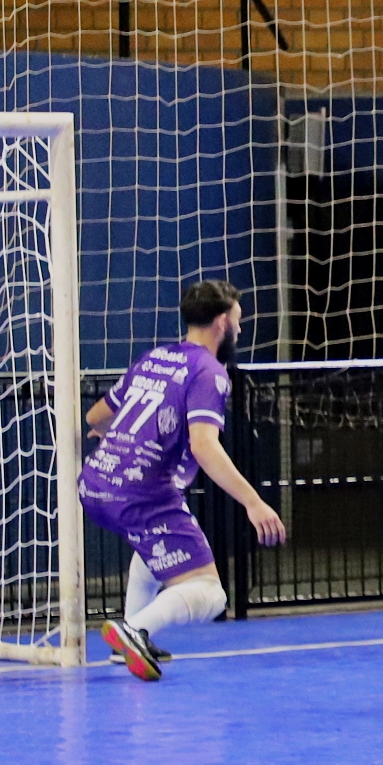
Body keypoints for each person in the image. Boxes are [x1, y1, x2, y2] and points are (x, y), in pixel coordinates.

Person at [89, 280, 289, 679]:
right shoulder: (209, 372)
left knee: (153, 552)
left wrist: (119, 440)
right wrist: (253, 502)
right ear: (221, 322)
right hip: (144, 492)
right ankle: (134, 630)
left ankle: (128, 641)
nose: (240, 329)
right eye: (238, 320)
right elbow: (204, 445)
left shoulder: (154, 358)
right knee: (211, 593)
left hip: (96, 482)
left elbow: (96, 417)